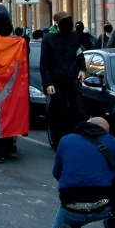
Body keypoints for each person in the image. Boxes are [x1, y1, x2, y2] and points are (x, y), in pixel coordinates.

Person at [48, 117, 115, 228]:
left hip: (72, 207)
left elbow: (56, 172)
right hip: (104, 207)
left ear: (87, 123)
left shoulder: (66, 141)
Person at [40, 11, 87, 148]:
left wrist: (83, 69)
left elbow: (79, 55)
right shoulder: (48, 39)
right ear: (56, 23)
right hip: (57, 83)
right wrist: (48, 83)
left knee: (78, 111)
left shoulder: (74, 36)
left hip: (73, 81)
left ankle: (76, 140)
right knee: (59, 113)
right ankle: (59, 142)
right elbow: (45, 63)